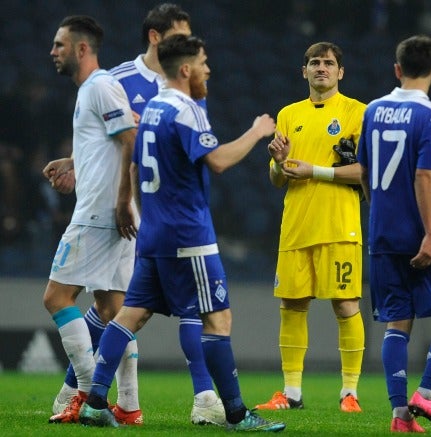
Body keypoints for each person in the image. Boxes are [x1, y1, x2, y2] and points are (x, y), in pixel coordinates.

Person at [75, 34, 285, 432]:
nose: (208, 70)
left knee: (131, 315)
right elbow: (218, 161)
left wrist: (144, 210)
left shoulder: (152, 107)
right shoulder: (186, 109)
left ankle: (95, 401)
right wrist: (257, 132)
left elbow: (135, 166)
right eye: (203, 63)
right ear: (186, 69)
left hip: (153, 232)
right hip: (189, 235)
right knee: (218, 319)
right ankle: (237, 414)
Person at [110, 3, 223, 425]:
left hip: (159, 218)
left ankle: (87, 395)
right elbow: (107, 140)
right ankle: (81, 389)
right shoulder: (120, 80)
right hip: (134, 216)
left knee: (131, 311)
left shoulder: (187, 88)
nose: (191, 48)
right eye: (181, 36)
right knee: (115, 306)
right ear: (157, 38)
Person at [357, 34, 431, 434]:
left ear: (397, 69)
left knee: (396, 323)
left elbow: (367, 175)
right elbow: (425, 174)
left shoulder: (371, 110)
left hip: (382, 232)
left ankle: (400, 415)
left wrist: (383, 217)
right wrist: (429, 235)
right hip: (423, 231)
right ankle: (428, 394)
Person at [44, 15, 142, 425]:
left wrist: (121, 202)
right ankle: (131, 404)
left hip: (100, 214)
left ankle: (87, 394)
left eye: (60, 45)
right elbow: (117, 136)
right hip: (111, 212)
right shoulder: (93, 90)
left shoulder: (99, 86)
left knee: (56, 298)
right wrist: (74, 162)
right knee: (111, 309)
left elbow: (130, 139)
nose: (53, 52)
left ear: (82, 49)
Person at [258, 41, 366, 413]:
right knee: (292, 303)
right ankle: (291, 393)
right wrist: (278, 162)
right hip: (296, 224)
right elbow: (278, 179)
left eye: (329, 63)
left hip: (338, 224)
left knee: (346, 304)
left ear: (340, 72)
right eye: (315, 63)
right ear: (303, 71)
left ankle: (349, 392)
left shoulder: (357, 113)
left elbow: (364, 172)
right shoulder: (288, 114)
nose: (322, 68)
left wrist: (313, 170)